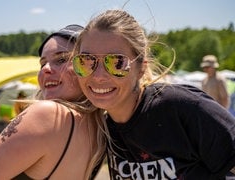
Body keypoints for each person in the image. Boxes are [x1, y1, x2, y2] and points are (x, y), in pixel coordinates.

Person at [72, 9, 235, 179]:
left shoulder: (180, 107)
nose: (98, 76)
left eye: (116, 62)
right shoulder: (102, 129)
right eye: (86, 61)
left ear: (141, 67)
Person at [0, 24, 106, 180]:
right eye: (42, 63)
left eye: (61, 59)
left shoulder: (48, 115)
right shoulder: (99, 128)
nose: (46, 68)